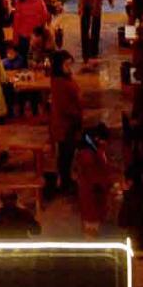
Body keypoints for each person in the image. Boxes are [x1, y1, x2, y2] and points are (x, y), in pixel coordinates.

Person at [50, 50, 83, 194]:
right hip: (65, 125)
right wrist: (77, 113)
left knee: (67, 154)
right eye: (67, 65)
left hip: (69, 123)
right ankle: (65, 182)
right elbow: (65, 107)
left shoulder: (65, 78)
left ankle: (66, 179)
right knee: (65, 154)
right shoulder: (59, 82)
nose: (69, 67)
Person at [75, 124, 112, 236]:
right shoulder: (88, 155)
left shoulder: (94, 150)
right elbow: (94, 176)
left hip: (94, 192)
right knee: (91, 222)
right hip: (92, 193)